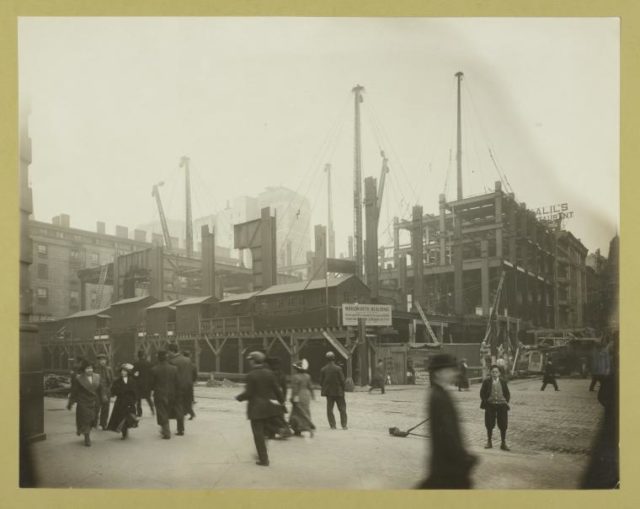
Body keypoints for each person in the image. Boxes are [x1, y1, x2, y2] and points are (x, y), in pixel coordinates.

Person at [418, 354, 477, 489]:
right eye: (449, 370)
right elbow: (448, 433)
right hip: (447, 466)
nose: (454, 373)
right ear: (439, 374)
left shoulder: (439, 393)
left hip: (444, 464)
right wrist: (462, 458)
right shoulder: (439, 396)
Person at [236, 351, 286, 466]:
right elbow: (277, 390)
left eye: (250, 360)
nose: (249, 362)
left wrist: (239, 397)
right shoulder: (269, 373)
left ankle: (264, 459)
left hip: (256, 409)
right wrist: (282, 401)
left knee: (258, 434)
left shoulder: (251, 375)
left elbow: (248, 393)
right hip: (269, 407)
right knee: (265, 431)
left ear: (254, 361)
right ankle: (278, 430)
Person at [66, 360, 105, 447]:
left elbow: (101, 388)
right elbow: (74, 391)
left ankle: (87, 432)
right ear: (84, 370)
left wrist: (103, 397)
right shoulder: (79, 379)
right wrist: (70, 402)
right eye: (87, 368)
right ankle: (87, 437)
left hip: (95, 401)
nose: (89, 370)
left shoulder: (97, 377)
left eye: (91, 368)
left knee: (92, 419)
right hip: (83, 401)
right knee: (85, 419)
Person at [480, 364, 511, 451]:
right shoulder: (486, 382)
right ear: (490, 373)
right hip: (490, 405)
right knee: (489, 423)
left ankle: (503, 443)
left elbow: (507, 393)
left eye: (496, 372)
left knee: (503, 424)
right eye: (493, 372)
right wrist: (486, 401)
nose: (494, 374)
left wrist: (505, 401)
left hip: (502, 405)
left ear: (499, 373)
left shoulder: (503, 381)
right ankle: (489, 442)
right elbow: (482, 393)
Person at [150, 350, 180, 439]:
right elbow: (177, 382)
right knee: (166, 412)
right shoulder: (174, 368)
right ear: (167, 358)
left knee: (162, 412)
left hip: (159, 394)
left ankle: (166, 432)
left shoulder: (154, 369)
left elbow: (151, 384)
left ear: (158, 358)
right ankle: (164, 429)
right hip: (171, 394)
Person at [106, 363, 139, 440]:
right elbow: (113, 390)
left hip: (130, 401)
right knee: (121, 417)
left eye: (124, 371)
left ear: (128, 372)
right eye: (122, 371)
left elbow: (135, 392)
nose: (123, 372)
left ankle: (126, 430)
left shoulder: (132, 381)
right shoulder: (117, 381)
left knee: (129, 416)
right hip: (120, 401)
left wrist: (134, 400)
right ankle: (124, 432)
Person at [265, 356, 292, 439]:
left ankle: (272, 432)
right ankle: (283, 430)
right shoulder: (282, 374)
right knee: (279, 415)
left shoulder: (268, 373)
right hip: (279, 397)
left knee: (268, 416)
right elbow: (284, 388)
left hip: (270, 396)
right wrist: (283, 398)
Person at [319, 351, 347, 430]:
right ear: (334, 358)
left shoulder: (323, 369)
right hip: (339, 392)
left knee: (329, 409)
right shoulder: (338, 369)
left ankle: (333, 425)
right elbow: (342, 381)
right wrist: (343, 389)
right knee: (342, 409)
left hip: (329, 393)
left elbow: (321, 382)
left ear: (326, 359)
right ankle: (344, 425)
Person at [167, 344, 191, 435]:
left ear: (172, 351)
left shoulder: (172, 361)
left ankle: (166, 429)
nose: (168, 354)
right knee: (181, 408)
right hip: (186, 388)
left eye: (169, 351)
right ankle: (180, 429)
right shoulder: (187, 360)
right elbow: (189, 375)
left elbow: (170, 377)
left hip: (176, 388)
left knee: (174, 408)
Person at [288, 359, 316, 437]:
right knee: (305, 410)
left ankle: (300, 429)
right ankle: (305, 427)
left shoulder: (295, 377)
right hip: (306, 395)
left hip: (299, 395)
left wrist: (293, 398)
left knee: (297, 412)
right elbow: (311, 386)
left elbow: (295, 389)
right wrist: (313, 396)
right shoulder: (308, 376)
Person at [94, 353, 114, 430]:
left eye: (104, 360)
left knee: (105, 408)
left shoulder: (109, 369)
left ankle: (103, 424)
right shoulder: (95, 369)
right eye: (101, 360)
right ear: (98, 361)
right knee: (96, 408)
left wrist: (109, 390)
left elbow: (111, 380)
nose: (102, 361)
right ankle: (94, 423)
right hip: (97, 391)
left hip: (106, 391)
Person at [133, 350, 155, 417]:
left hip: (138, 384)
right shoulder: (149, 364)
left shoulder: (136, 364)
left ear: (138, 356)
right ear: (144, 356)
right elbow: (152, 374)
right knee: (148, 397)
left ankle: (139, 413)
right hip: (147, 384)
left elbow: (134, 374)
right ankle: (152, 409)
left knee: (138, 399)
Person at [183, 351, 198, 420]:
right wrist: (192, 381)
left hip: (182, 384)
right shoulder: (193, 365)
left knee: (183, 399)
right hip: (190, 384)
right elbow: (195, 376)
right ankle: (189, 412)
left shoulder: (182, 364)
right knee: (189, 399)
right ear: (190, 356)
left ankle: (189, 412)